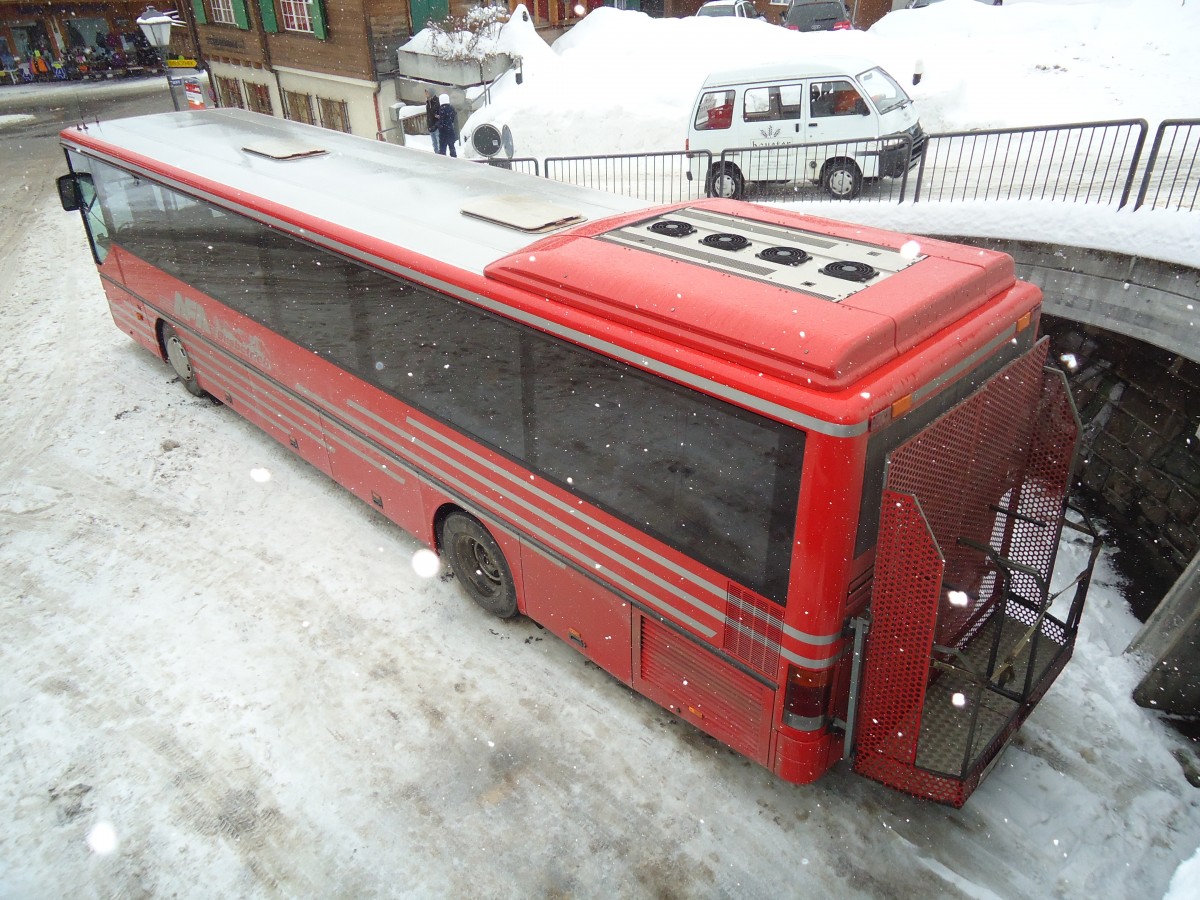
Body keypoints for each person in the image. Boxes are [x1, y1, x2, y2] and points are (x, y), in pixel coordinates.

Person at [424, 89, 441, 154]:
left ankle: (441, 156)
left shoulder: (436, 102)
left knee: (438, 142)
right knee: (434, 144)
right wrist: (429, 125)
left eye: (427, 93)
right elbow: (428, 115)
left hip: (436, 126)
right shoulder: (428, 103)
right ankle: (437, 155)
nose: (426, 95)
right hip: (431, 126)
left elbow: (438, 115)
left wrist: (436, 125)